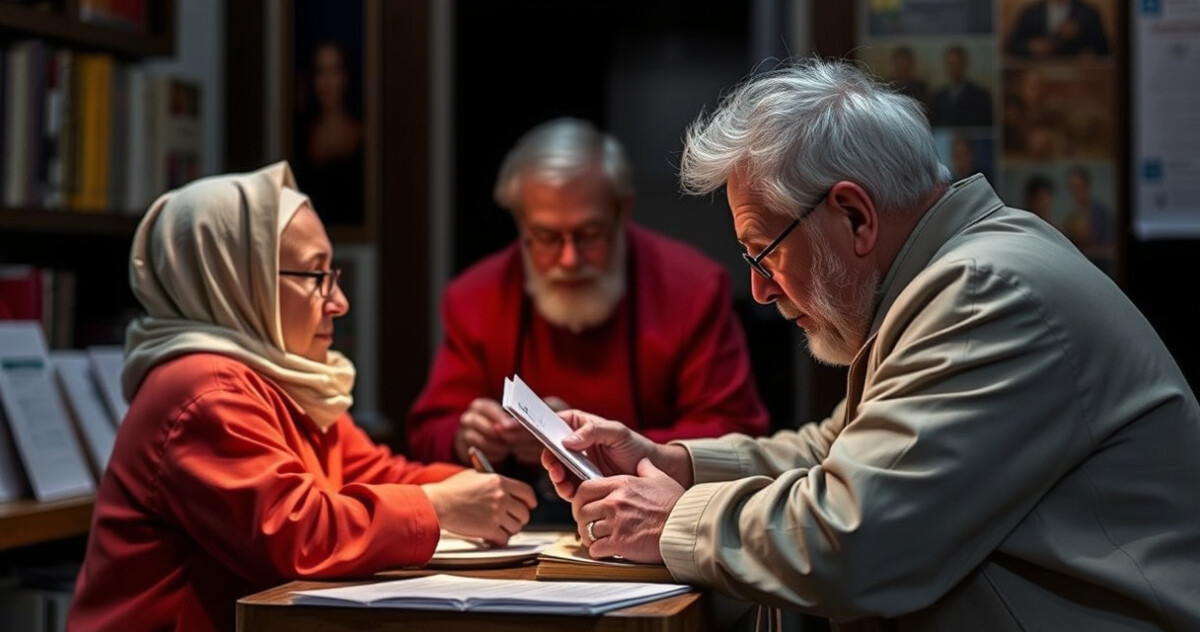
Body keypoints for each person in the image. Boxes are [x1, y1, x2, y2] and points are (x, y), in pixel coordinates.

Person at [541, 58, 1200, 630]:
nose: (761, 291)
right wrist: (675, 463)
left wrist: (673, 519)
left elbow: (854, 542)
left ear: (854, 216)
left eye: (762, 253)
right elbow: (838, 449)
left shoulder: (984, 290)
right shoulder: (960, 270)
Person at [68, 162, 537, 632]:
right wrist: (441, 506)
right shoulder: (204, 389)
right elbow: (299, 535)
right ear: (238, 278)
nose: (339, 302)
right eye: (315, 277)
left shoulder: (277, 378)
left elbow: (375, 472)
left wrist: (480, 492)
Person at [406, 117, 768, 523]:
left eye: (589, 234)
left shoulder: (692, 289)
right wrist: (465, 436)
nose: (569, 260)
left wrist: (600, 442)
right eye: (546, 237)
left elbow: (737, 441)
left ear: (622, 211)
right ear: (519, 224)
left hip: (658, 525)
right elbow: (427, 432)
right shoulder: (476, 297)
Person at [294, 39, 365, 227]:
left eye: (335, 71)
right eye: (321, 72)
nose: (328, 81)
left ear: (345, 76)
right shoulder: (302, 137)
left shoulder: (361, 136)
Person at [1006, 0, 1111, 58]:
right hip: (1038, 76)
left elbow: (1105, 49)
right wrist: (1031, 47)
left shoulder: (1089, 13)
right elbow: (1012, 46)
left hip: (1079, 79)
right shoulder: (1030, 13)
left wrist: (1089, 53)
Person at [928, 45, 992, 128]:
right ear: (946, 66)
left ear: (965, 65)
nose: (955, 68)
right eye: (951, 64)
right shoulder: (937, 97)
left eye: (958, 64)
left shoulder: (981, 95)